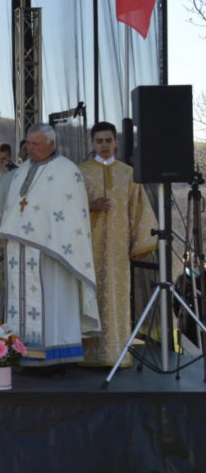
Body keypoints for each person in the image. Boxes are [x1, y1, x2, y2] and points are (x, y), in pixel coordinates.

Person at [0, 123, 100, 367]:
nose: (29, 149)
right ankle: (21, 354)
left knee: (53, 304)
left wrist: (49, 237)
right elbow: (13, 207)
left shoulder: (67, 171)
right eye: (28, 143)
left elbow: (72, 215)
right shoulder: (22, 171)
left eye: (35, 144)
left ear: (51, 145)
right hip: (19, 251)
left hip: (53, 253)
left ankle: (57, 359)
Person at [78, 121, 157, 367]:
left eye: (108, 141)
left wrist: (140, 244)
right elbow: (64, 210)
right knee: (88, 297)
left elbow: (139, 210)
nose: (104, 145)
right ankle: (86, 355)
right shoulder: (79, 172)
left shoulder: (128, 173)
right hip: (86, 250)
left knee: (116, 298)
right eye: (99, 141)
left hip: (118, 251)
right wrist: (91, 206)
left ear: (116, 143)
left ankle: (115, 354)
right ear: (92, 143)